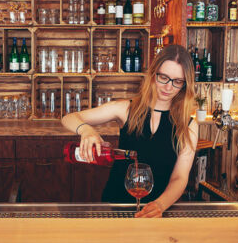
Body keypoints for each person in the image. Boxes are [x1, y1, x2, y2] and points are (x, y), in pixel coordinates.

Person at [61, 44, 198, 218]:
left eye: (177, 81)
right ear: (153, 74)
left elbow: (180, 177)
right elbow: (68, 118)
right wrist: (86, 130)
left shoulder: (188, 125)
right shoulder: (125, 109)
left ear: (185, 84)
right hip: (116, 205)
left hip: (157, 211)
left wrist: (160, 205)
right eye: (163, 77)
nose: (168, 87)